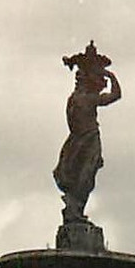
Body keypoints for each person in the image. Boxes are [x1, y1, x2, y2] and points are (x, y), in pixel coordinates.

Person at [53, 47, 121, 224]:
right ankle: (74, 209)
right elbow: (116, 95)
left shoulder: (75, 98)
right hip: (87, 139)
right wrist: (111, 76)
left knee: (81, 176)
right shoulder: (87, 98)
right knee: (84, 176)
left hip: (78, 140)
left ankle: (73, 209)